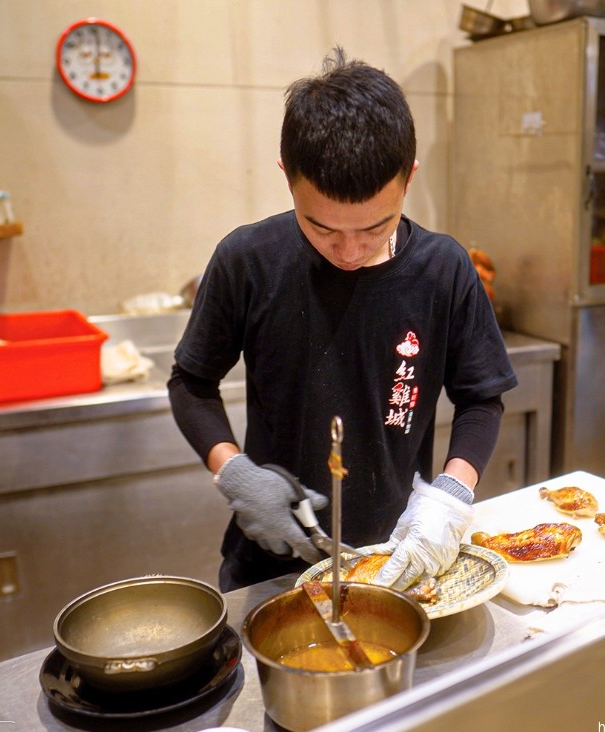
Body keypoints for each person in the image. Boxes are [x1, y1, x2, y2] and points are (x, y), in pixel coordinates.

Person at [168, 47, 517, 593]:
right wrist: (233, 471)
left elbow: (480, 396)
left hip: (396, 557)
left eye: (375, 227)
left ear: (409, 179)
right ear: (287, 176)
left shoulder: (442, 269)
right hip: (268, 564)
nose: (350, 251)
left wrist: (452, 494)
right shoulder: (248, 260)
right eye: (324, 229)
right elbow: (191, 382)